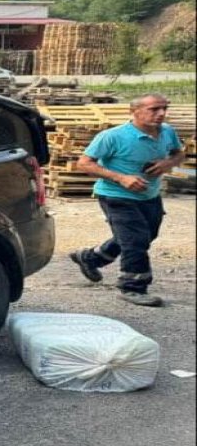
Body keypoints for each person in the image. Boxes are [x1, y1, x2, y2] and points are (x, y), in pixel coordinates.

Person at [69, 94, 184, 307]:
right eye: (154, 109)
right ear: (134, 111)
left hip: (149, 195)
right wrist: (121, 178)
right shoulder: (112, 136)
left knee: (145, 235)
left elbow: (179, 154)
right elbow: (84, 164)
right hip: (116, 196)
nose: (161, 114)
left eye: (164, 109)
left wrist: (168, 163)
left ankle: (91, 258)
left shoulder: (167, 131)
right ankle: (132, 286)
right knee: (135, 240)